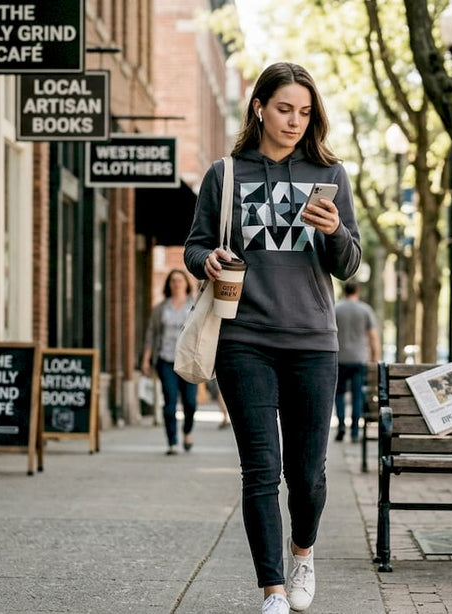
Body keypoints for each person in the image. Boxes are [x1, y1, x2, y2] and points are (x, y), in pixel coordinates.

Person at [184, 62, 361, 614]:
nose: (294, 121)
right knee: (261, 470)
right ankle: (273, 591)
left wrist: (333, 233)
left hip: (312, 341)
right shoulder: (226, 174)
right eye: (285, 108)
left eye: (305, 112)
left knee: (306, 474)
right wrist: (206, 260)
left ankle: (302, 552)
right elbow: (194, 247)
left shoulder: (331, 175)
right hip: (244, 341)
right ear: (260, 106)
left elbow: (350, 265)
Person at [141, 269, 200, 455]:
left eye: (179, 280)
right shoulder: (161, 308)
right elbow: (151, 334)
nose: (176, 284)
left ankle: (188, 430)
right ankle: (172, 441)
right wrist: (146, 359)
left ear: (186, 283)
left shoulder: (195, 305)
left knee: (190, 402)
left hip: (189, 360)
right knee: (170, 403)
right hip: (166, 360)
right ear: (169, 285)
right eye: (173, 281)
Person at [333, 280, 380, 442]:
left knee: (338, 394)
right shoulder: (365, 310)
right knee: (357, 395)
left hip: (339, 357)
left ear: (344, 291)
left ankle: (340, 425)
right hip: (359, 359)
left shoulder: (336, 309)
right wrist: (375, 358)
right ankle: (354, 431)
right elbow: (373, 337)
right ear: (357, 291)